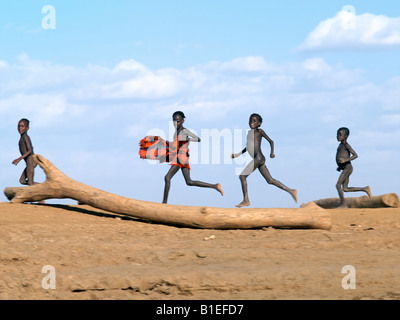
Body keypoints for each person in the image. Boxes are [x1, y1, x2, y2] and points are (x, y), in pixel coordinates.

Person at [139, 111, 223, 204]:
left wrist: (188, 139)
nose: (176, 123)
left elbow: (198, 139)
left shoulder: (184, 131)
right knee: (189, 182)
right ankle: (215, 186)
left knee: (167, 178)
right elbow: (176, 144)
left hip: (181, 158)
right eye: (174, 121)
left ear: (183, 121)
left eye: (178, 121)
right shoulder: (176, 132)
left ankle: (164, 203)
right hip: (181, 157)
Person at [231, 113, 297, 207]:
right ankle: (291, 191)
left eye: (254, 121)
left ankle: (246, 200)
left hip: (258, 158)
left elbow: (271, 141)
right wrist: (237, 155)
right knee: (270, 180)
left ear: (259, 123)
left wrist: (272, 153)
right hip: (259, 159)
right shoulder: (249, 134)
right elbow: (248, 147)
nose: (251, 122)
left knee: (242, 176)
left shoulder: (259, 131)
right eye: (250, 120)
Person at [335, 127, 371, 207]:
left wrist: (345, 160)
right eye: (337, 134)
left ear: (346, 136)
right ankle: (365, 189)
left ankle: (343, 204)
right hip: (344, 168)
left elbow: (355, 155)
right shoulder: (340, 146)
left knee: (338, 185)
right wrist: (340, 167)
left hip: (348, 168)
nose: (338, 136)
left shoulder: (346, 145)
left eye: (340, 134)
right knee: (345, 189)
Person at [12, 118, 37, 185]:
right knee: (22, 181)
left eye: (22, 126)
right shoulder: (22, 137)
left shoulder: (25, 137)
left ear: (27, 128)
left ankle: (44, 188)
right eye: (19, 126)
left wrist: (19, 159)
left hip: (31, 161)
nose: (20, 128)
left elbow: (30, 150)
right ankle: (43, 186)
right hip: (29, 162)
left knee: (30, 182)